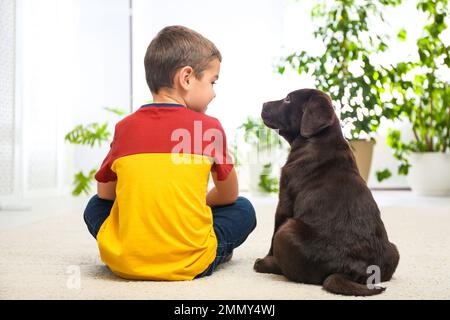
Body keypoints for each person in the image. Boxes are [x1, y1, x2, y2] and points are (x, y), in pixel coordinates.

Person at [83, 25, 256, 280]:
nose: (214, 92)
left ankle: (133, 248)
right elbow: (228, 195)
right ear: (186, 78)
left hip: (125, 262)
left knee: (93, 207)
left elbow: (105, 194)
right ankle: (209, 254)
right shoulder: (208, 129)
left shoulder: (125, 128)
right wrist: (197, 203)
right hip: (192, 263)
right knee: (243, 209)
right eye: (212, 81)